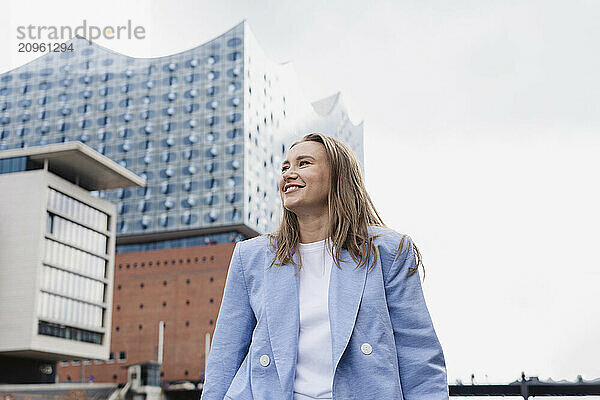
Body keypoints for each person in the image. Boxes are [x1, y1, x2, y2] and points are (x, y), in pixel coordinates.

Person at [201, 133, 448, 400]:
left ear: (338, 176)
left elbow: (419, 356)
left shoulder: (389, 251)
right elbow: (224, 356)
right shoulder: (251, 256)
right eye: (285, 167)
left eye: (303, 163)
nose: (289, 174)